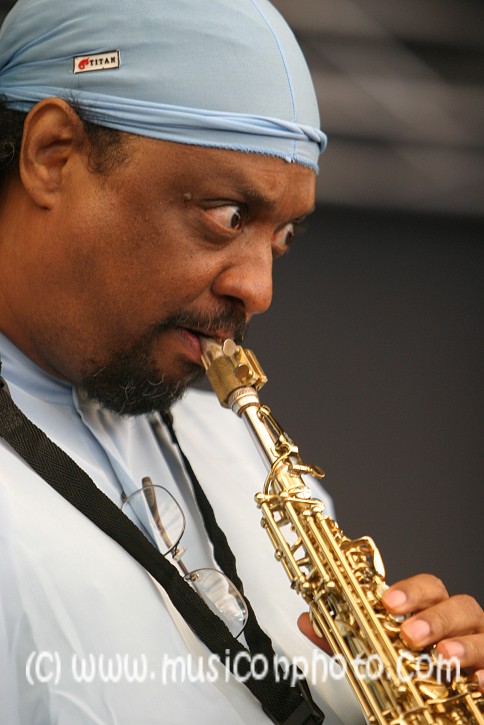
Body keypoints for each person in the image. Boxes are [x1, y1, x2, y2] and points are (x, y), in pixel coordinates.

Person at [0, 1, 482, 723]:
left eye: (282, 236)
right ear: (54, 154)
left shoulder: (237, 451)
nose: (259, 290)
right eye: (226, 215)